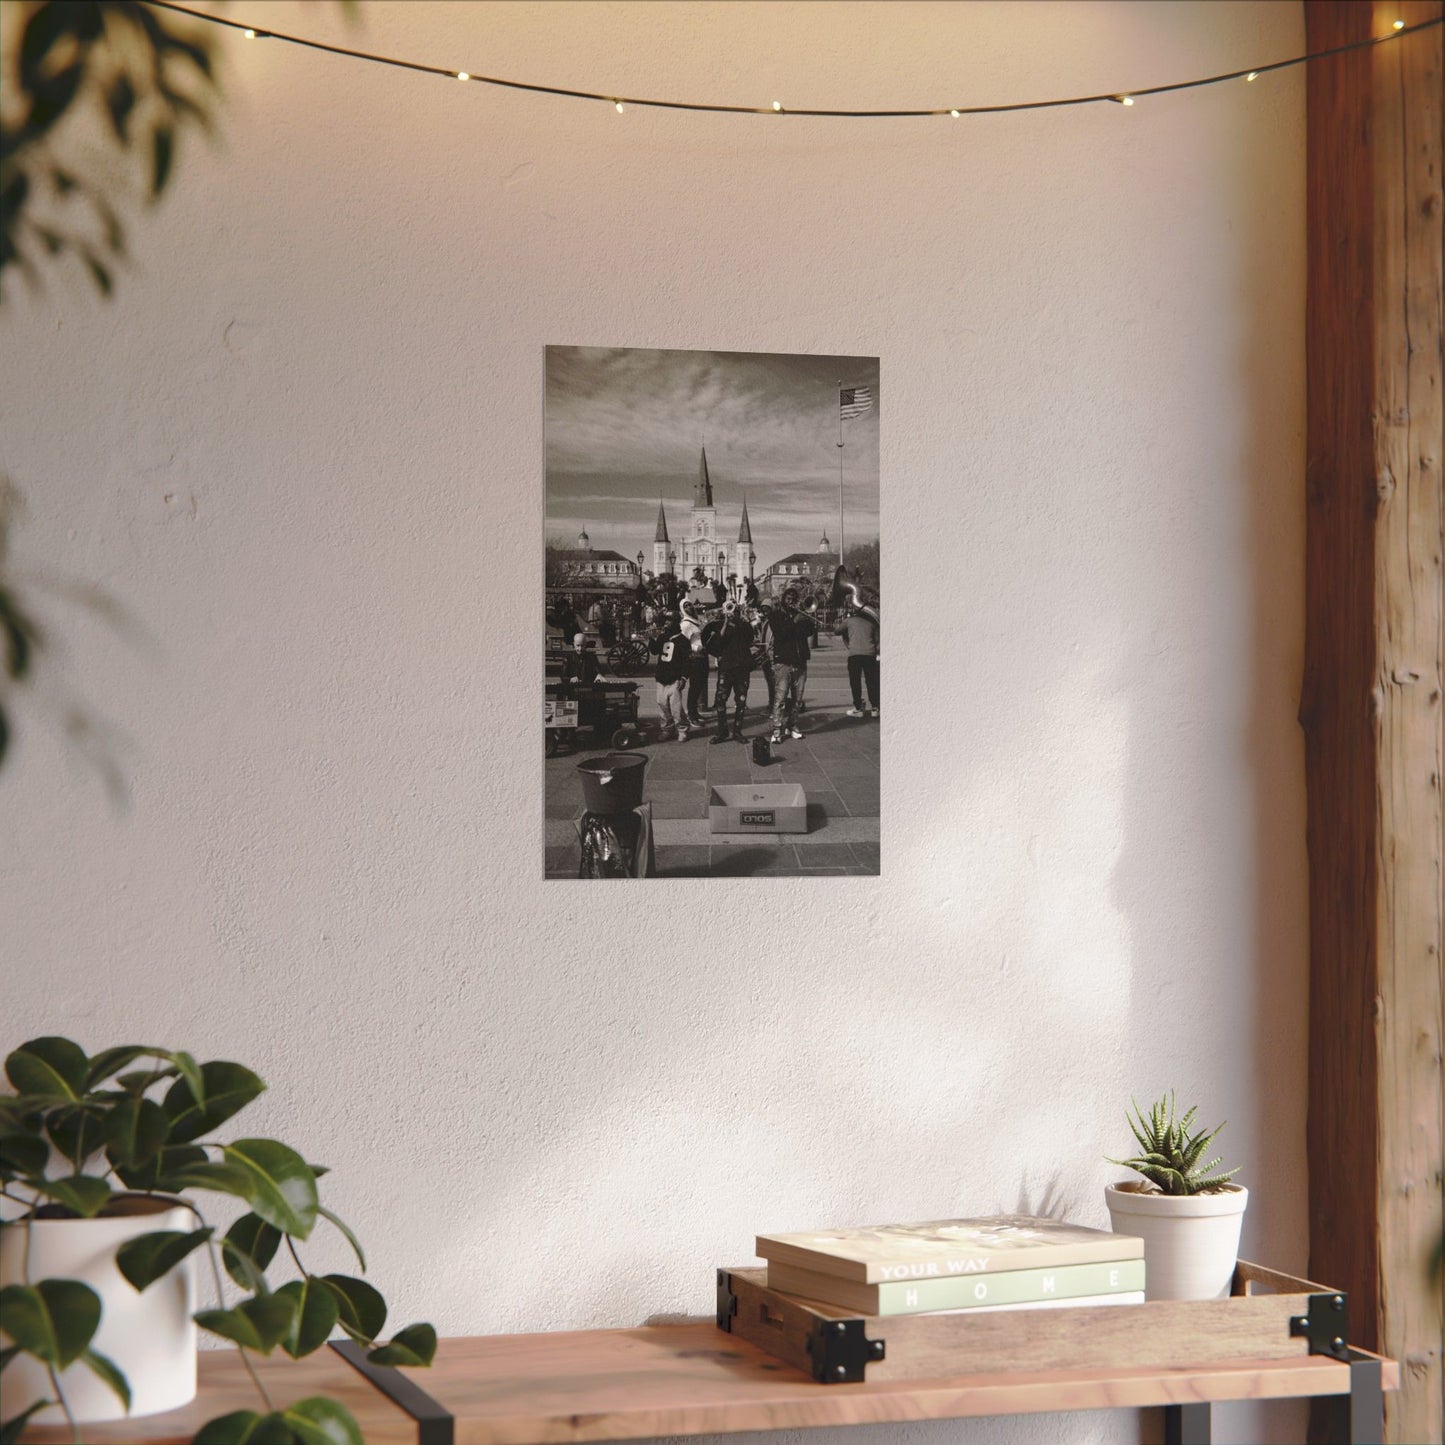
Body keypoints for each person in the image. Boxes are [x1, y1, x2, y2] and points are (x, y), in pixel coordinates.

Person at [766, 588, 817, 743]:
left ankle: (792, 725)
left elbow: (810, 631)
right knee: (780, 698)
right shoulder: (775, 615)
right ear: (783, 599)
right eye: (788, 598)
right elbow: (780, 634)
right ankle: (777, 729)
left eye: (794, 599)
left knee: (798, 699)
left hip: (800, 661)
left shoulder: (800, 615)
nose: (791, 601)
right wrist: (794, 621)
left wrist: (807, 618)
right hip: (783, 662)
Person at [703, 602, 755, 744]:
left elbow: (750, 638)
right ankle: (722, 731)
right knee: (720, 700)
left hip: (742, 667)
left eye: (734, 609)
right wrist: (725, 623)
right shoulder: (720, 625)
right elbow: (716, 644)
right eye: (729, 608)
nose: (732, 611)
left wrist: (742, 619)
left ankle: (737, 731)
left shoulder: (744, 625)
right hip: (726, 668)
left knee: (741, 701)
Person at [649, 611, 691, 742]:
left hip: (675, 678)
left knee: (676, 707)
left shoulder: (683, 640)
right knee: (662, 705)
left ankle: (682, 729)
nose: (666, 623)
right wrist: (652, 638)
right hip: (661, 677)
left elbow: (687, 661)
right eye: (666, 620)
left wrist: (684, 677)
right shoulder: (663, 637)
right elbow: (654, 651)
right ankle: (667, 729)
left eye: (669, 620)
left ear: (676, 622)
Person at [841, 603, 880, 717]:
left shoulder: (849, 621)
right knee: (872, 681)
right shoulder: (872, 622)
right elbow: (877, 639)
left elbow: (837, 631)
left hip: (854, 655)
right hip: (870, 654)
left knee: (855, 682)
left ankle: (858, 708)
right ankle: (875, 708)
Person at [680, 600, 710, 726]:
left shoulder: (695, 621)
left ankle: (695, 712)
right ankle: (691, 715)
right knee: (694, 687)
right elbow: (683, 643)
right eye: (686, 606)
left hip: (702, 657)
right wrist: (697, 648)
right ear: (682, 609)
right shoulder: (686, 624)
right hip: (695, 658)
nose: (689, 607)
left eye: (690, 604)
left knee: (699, 686)